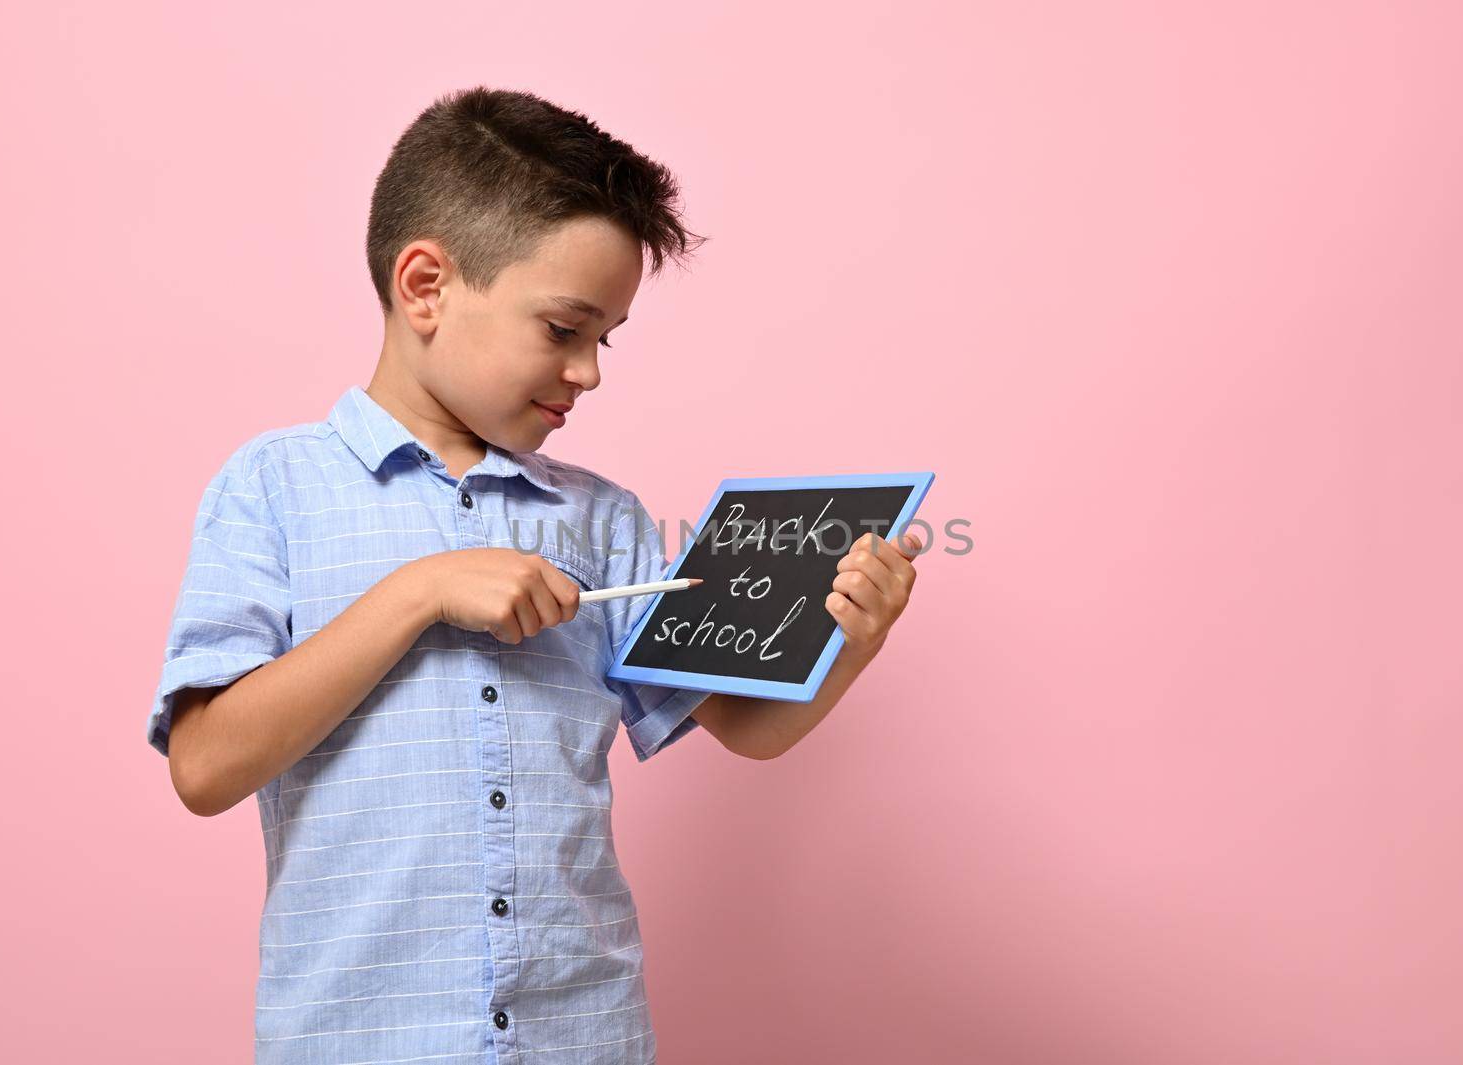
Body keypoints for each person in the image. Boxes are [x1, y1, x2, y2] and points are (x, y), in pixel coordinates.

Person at [148, 85, 922, 1064]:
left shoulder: (600, 520)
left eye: (605, 338)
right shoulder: (273, 489)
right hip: (359, 1038)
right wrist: (417, 594)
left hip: (581, 1034)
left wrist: (849, 644)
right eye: (564, 330)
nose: (590, 372)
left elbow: (744, 728)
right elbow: (206, 766)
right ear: (425, 285)